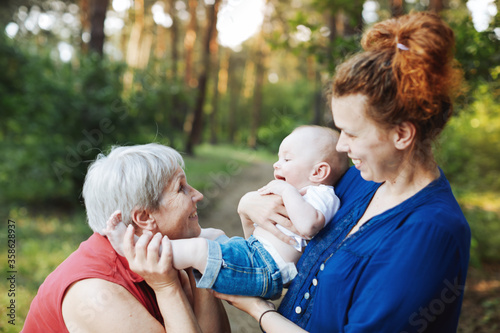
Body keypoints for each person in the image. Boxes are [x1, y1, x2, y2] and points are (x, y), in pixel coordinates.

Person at [213, 11, 471, 333]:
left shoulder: (432, 232)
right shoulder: (353, 183)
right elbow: (281, 244)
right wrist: (248, 204)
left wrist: (260, 312)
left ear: (402, 134)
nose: (341, 147)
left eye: (352, 133)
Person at [105, 125, 349, 300]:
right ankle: (160, 246)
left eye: (287, 159)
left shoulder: (322, 196)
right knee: (210, 235)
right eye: (278, 158)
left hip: (266, 270)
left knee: (198, 250)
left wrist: (286, 190)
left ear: (318, 172)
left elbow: (308, 227)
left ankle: (139, 251)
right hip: (256, 255)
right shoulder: (304, 193)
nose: (277, 164)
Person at [22, 143, 230, 333]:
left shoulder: (161, 253)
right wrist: (166, 288)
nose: (198, 195)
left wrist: (201, 260)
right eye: (181, 188)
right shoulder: (97, 294)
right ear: (144, 217)